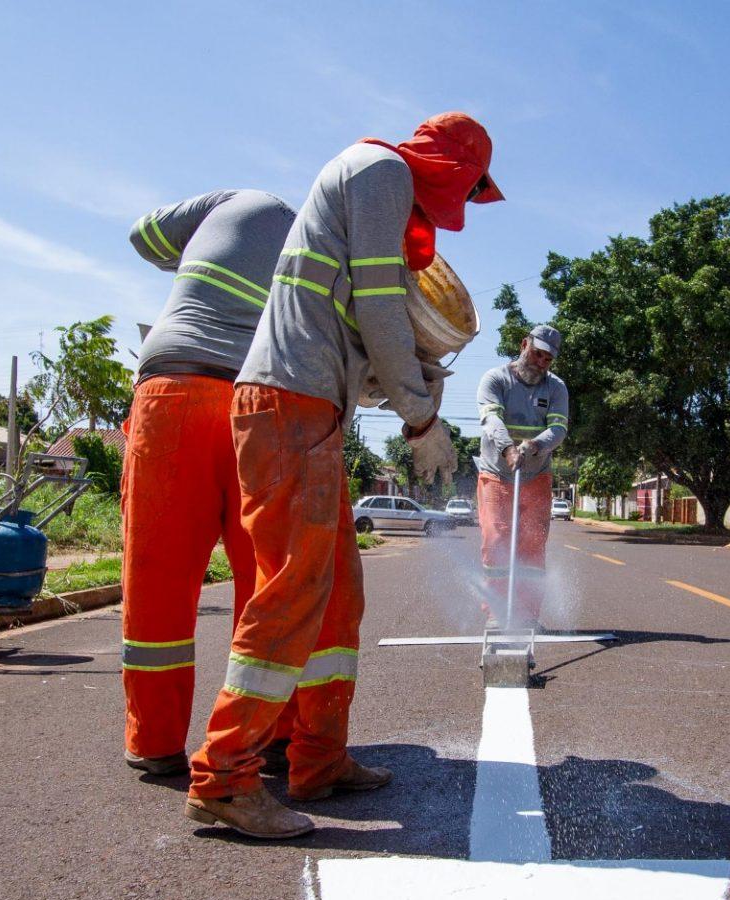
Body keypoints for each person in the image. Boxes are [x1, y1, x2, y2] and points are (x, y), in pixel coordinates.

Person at [183, 112, 502, 839]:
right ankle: (225, 775)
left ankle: (318, 756)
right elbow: (384, 307)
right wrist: (422, 419)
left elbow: (361, 325)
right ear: (452, 167)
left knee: (336, 595)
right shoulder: (380, 171)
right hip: (288, 405)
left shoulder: (371, 192)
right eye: (468, 188)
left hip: (308, 405)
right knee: (295, 587)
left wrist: (411, 385)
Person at [119, 189, 300, 778]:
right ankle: (265, 733)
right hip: (260, 402)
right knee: (266, 581)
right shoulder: (323, 248)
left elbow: (143, 237)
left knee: (158, 578)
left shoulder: (235, 201)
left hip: (174, 389)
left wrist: (199, 256)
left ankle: (154, 741)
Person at [474, 325, 569, 627]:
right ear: (524, 344)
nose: (541, 362)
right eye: (537, 353)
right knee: (497, 540)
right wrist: (508, 450)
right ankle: (497, 614)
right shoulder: (495, 379)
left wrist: (535, 445)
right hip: (496, 472)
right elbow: (491, 418)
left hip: (536, 474)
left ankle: (527, 616)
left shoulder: (556, 388)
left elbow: (558, 429)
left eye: (547, 359)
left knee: (531, 544)